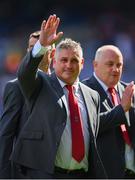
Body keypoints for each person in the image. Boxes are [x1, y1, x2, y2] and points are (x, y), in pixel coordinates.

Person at [10, 14, 135, 179]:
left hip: (82, 175)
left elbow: (96, 125)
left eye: (74, 60)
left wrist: (122, 109)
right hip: (48, 175)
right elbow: (25, 75)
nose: (69, 65)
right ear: (54, 62)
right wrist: (41, 46)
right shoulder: (42, 84)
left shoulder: (91, 95)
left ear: (82, 64)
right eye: (64, 60)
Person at [0, 30, 53, 178]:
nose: (33, 51)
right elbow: (6, 135)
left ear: (52, 53)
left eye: (41, 46)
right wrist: (4, 176)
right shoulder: (15, 87)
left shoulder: (62, 86)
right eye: (31, 47)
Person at [83, 45, 135, 179]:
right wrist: (121, 109)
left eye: (119, 65)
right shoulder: (83, 90)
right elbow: (89, 126)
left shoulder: (128, 90)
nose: (115, 69)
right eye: (110, 64)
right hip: (105, 174)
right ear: (95, 65)